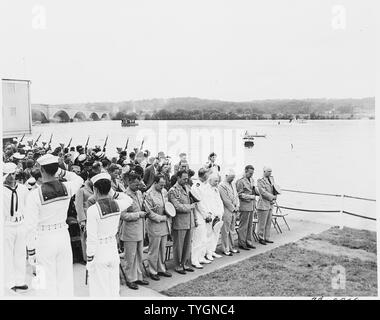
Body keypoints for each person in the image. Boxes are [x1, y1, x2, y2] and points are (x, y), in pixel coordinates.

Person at [24, 154, 84, 297]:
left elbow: (30, 226)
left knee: (44, 281)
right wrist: (62, 172)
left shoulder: (34, 195)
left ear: (41, 170)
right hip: (63, 236)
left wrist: (31, 251)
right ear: (56, 170)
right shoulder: (67, 187)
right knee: (65, 279)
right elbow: (79, 179)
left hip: (44, 238)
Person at [86, 172, 133, 297]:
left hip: (99, 250)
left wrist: (89, 258)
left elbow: (91, 237)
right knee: (113, 287)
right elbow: (129, 199)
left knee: (100, 290)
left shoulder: (92, 210)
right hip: (112, 248)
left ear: (95, 189)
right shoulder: (117, 204)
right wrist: (113, 193)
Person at [3, 162, 29, 293]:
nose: (12, 177)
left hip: (21, 223)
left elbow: (28, 207)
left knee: (20, 253)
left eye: (13, 174)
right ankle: (9, 281)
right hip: (7, 225)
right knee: (7, 254)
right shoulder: (1, 191)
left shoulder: (23, 189)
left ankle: (20, 280)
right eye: (8, 175)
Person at [120, 173, 149, 290]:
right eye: (136, 184)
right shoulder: (124, 196)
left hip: (140, 229)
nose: (138, 186)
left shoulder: (138, 193)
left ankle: (138, 276)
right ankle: (129, 279)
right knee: (130, 257)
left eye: (139, 183)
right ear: (129, 182)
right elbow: (123, 215)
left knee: (139, 255)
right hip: (130, 231)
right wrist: (138, 214)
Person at [168, 170, 197, 275]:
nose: (186, 180)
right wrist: (190, 207)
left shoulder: (187, 188)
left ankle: (184, 263)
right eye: (184, 178)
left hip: (189, 221)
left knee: (187, 244)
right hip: (180, 222)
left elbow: (192, 202)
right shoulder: (173, 190)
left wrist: (195, 219)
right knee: (179, 245)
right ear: (178, 178)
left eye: (187, 178)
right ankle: (178, 265)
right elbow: (177, 206)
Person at [143, 175, 172, 281]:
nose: (163, 187)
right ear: (155, 183)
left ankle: (161, 269)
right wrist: (163, 218)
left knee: (162, 249)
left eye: (164, 185)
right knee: (154, 250)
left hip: (164, 225)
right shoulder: (148, 194)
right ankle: (152, 271)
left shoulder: (164, 191)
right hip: (154, 224)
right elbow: (149, 212)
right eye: (161, 185)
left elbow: (167, 205)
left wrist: (169, 213)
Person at [74, 170, 97, 262]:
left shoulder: (96, 188)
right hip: (86, 217)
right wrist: (82, 220)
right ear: (88, 179)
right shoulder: (81, 190)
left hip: (95, 217)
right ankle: (86, 258)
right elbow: (78, 206)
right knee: (85, 238)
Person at [190, 168, 211, 268]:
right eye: (207, 174)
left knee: (204, 238)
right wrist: (205, 215)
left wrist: (209, 213)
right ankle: (195, 260)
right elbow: (199, 203)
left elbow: (207, 201)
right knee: (197, 239)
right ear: (203, 175)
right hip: (199, 215)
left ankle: (201, 257)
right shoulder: (196, 186)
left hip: (205, 214)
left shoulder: (204, 185)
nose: (208, 176)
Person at [218, 169, 240, 256]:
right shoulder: (222, 185)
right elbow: (225, 199)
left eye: (233, 178)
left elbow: (236, 195)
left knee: (232, 229)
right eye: (231, 177)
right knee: (225, 230)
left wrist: (237, 206)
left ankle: (231, 247)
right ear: (226, 176)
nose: (232, 179)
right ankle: (225, 248)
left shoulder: (233, 184)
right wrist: (233, 208)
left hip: (234, 209)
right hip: (227, 210)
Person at [236, 165, 257, 250]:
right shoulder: (240, 181)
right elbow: (239, 195)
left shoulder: (252, 180)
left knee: (249, 225)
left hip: (251, 206)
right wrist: (251, 197)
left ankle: (248, 241)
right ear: (245, 171)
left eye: (252, 173)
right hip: (244, 206)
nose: (251, 175)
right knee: (243, 226)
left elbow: (253, 190)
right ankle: (242, 243)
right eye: (250, 173)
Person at [203, 173, 224, 260]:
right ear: (210, 180)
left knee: (216, 234)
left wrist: (220, 212)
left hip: (218, 215)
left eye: (218, 181)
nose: (217, 182)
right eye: (215, 181)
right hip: (211, 216)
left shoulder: (216, 189)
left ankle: (212, 251)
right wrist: (212, 214)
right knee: (209, 235)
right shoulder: (206, 189)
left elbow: (219, 201)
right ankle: (208, 253)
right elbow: (207, 203)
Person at [256, 167, 277, 245]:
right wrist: (272, 197)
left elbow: (275, 189)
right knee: (262, 223)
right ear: (264, 171)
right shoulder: (260, 180)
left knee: (268, 222)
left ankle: (267, 237)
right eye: (268, 171)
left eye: (271, 171)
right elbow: (263, 192)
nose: (270, 173)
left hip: (270, 204)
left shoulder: (271, 179)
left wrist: (275, 197)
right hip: (263, 204)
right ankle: (260, 238)